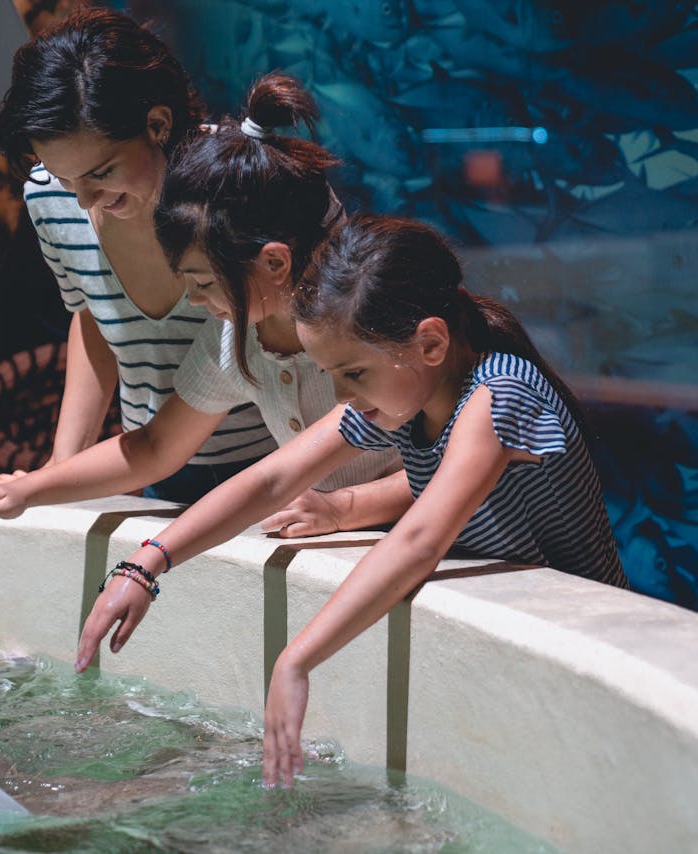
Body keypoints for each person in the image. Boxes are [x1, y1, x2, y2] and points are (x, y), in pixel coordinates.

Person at [76, 214, 630, 788]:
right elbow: (272, 481)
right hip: (526, 653)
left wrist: (296, 660)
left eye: (353, 371)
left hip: (595, 665)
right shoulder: (409, 392)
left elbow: (419, 540)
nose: (341, 395)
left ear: (431, 343)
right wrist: (147, 562)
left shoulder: (499, 393)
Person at [0, 73, 409, 535]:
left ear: (275, 261)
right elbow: (156, 446)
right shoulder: (233, 339)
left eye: (204, 281)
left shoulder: (359, 320)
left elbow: (447, 456)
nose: (193, 301)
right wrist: (32, 487)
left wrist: (345, 507)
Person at [0, 8, 274, 502]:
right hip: (145, 463)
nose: (81, 200)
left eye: (100, 172)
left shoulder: (244, 185)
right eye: (62, 175)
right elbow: (93, 319)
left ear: (158, 123)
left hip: (273, 463)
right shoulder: (48, 197)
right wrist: (63, 465)